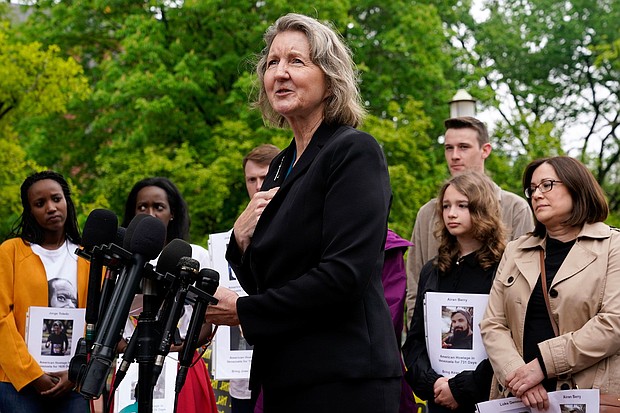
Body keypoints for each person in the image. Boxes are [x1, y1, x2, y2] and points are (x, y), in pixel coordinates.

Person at [206, 13, 402, 413]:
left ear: (330, 78)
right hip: (285, 375)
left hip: (344, 380)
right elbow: (273, 276)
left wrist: (243, 311)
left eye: (296, 61)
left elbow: (344, 275)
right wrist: (240, 243)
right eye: (272, 63)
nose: (280, 73)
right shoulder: (279, 166)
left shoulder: (353, 151)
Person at [480, 156, 620, 411]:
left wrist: (543, 365)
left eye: (547, 185)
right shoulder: (515, 250)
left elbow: (613, 322)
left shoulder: (614, 246)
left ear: (577, 187)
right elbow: (493, 324)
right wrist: (519, 376)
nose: (536, 194)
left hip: (584, 397)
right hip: (518, 398)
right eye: (532, 189)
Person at [405, 116, 534, 323]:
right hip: (437, 336)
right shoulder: (428, 213)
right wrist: (418, 339)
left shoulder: (515, 208)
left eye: (463, 147)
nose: (454, 156)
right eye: (449, 148)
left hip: (497, 336)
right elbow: (413, 284)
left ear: (485, 150)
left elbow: (524, 288)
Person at [402, 171, 505, 413]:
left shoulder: (504, 268)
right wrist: (433, 383)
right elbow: (415, 339)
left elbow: (512, 343)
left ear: (482, 209)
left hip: (487, 400)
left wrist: (460, 389)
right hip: (437, 398)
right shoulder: (433, 270)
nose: (451, 213)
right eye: (446, 206)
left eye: (462, 205)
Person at [121, 177, 218, 413]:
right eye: (142, 207)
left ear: (172, 213)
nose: (150, 213)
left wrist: (176, 350)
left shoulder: (195, 255)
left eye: (158, 207)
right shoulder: (123, 258)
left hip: (180, 364)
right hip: (131, 367)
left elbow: (208, 319)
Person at [0, 170, 90, 412]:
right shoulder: (11, 252)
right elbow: (1, 319)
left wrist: (76, 371)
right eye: (40, 203)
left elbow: (98, 320)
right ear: (30, 211)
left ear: (67, 202)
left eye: (56, 199)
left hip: (74, 383)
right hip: (18, 384)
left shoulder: (89, 258)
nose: (51, 208)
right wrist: (32, 374)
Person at [231, 144, 280, 413]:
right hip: (240, 370)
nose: (259, 186)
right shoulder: (235, 234)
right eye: (252, 179)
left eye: (266, 177)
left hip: (287, 366)